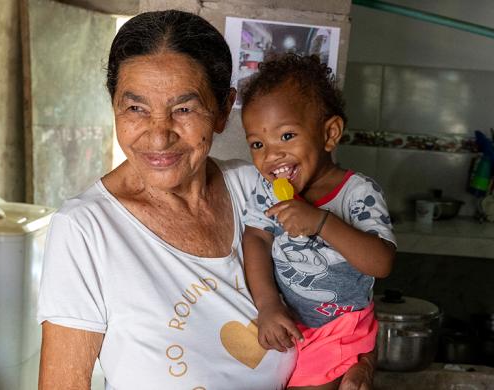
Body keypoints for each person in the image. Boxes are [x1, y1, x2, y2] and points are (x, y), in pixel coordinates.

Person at [36, 10, 375, 389]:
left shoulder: (256, 190)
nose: (159, 136)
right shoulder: (86, 229)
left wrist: (359, 364)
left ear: (223, 110)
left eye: (184, 109)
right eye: (135, 108)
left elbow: (343, 297)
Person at [240, 54, 397, 389]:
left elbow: (381, 262)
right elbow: (255, 238)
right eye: (257, 144)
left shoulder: (358, 193)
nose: (271, 155)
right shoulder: (268, 191)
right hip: (294, 323)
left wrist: (321, 222)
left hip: (342, 326)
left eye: (286, 136)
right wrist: (267, 304)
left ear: (329, 134)